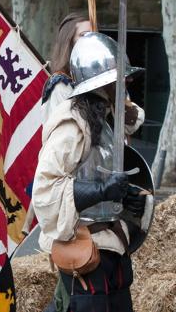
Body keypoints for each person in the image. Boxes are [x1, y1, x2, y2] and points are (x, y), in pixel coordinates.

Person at [33, 32, 148, 312]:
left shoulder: (102, 116)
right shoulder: (72, 122)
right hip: (83, 243)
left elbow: (99, 172)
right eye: (120, 76)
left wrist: (127, 197)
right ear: (102, 80)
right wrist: (101, 191)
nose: (127, 81)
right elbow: (46, 189)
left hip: (111, 243)